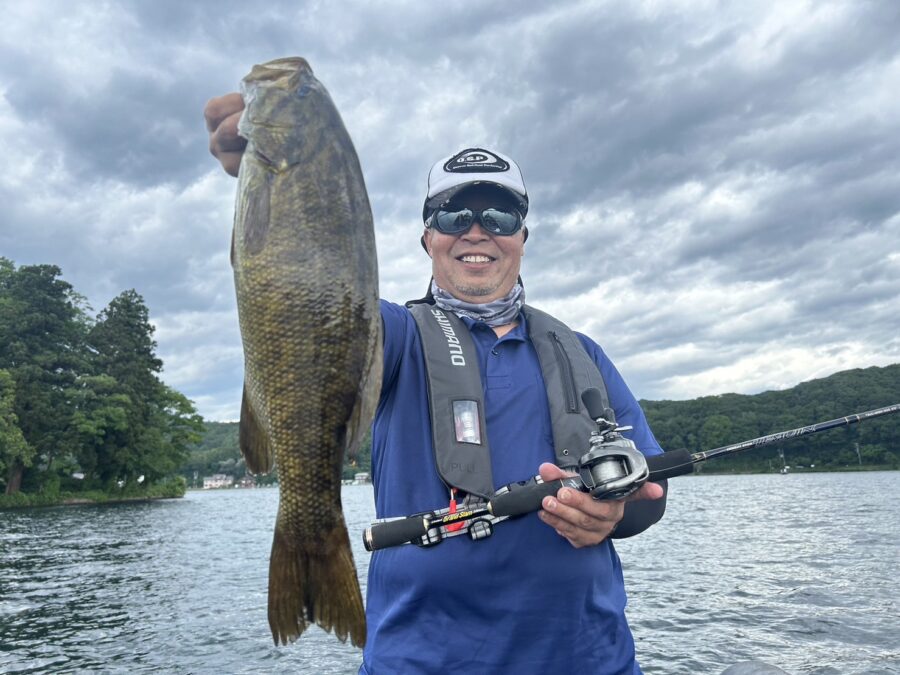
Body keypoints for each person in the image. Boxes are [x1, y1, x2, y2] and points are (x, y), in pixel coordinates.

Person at [206, 94, 668, 674]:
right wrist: (281, 186)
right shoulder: (395, 338)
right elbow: (312, 307)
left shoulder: (582, 352)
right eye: (454, 215)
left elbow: (649, 493)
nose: (477, 231)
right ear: (428, 237)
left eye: (499, 216)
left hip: (592, 660)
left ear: (523, 236)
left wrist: (614, 514)